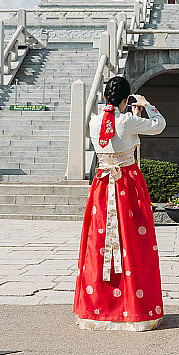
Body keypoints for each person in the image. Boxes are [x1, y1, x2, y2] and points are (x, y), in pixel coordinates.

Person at [73, 76, 166, 331]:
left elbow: (113, 135)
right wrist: (147, 106)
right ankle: (135, 307)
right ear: (126, 99)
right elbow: (159, 125)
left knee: (99, 242)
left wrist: (131, 116)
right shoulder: (127, 121)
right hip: (127, 183)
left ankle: (97, 308)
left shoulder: (94, 121)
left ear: (105, 97)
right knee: (133, 243)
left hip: (103, 185)